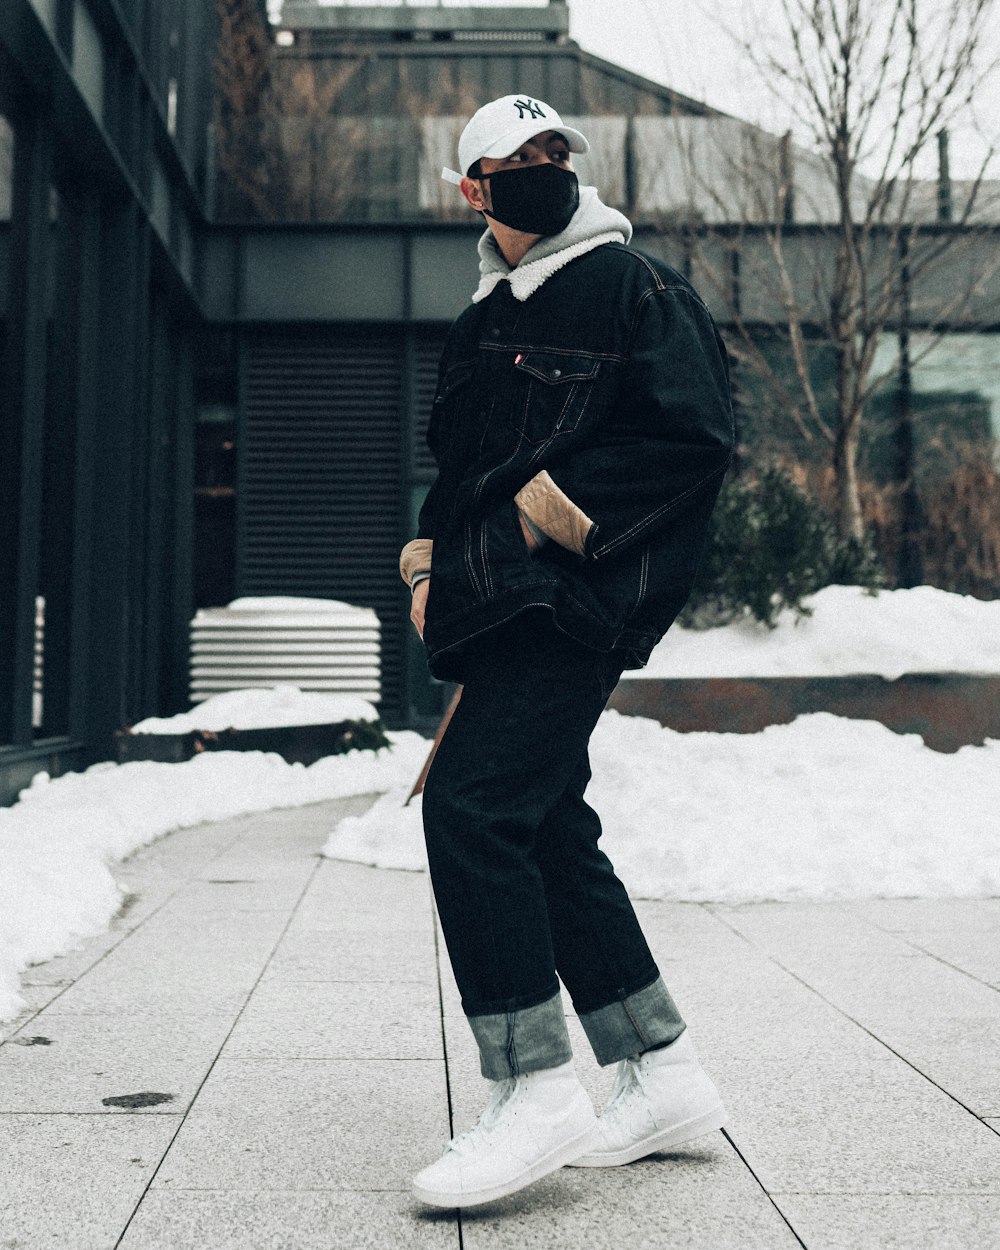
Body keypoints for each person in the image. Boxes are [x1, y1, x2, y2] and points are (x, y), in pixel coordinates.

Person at [400, 94, 735, 1210]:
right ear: (473, 187)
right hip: (493, 600)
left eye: (557, 155)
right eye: (519, 159)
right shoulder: (481, 316)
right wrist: (425, 563)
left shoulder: (634, 287)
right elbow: (456, 470)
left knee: (470, 807)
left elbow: (691, 438)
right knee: (541, 817)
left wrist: (551, 514)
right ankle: (662, 1071)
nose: (546, 170)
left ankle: (535, 1085)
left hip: (573, 597)